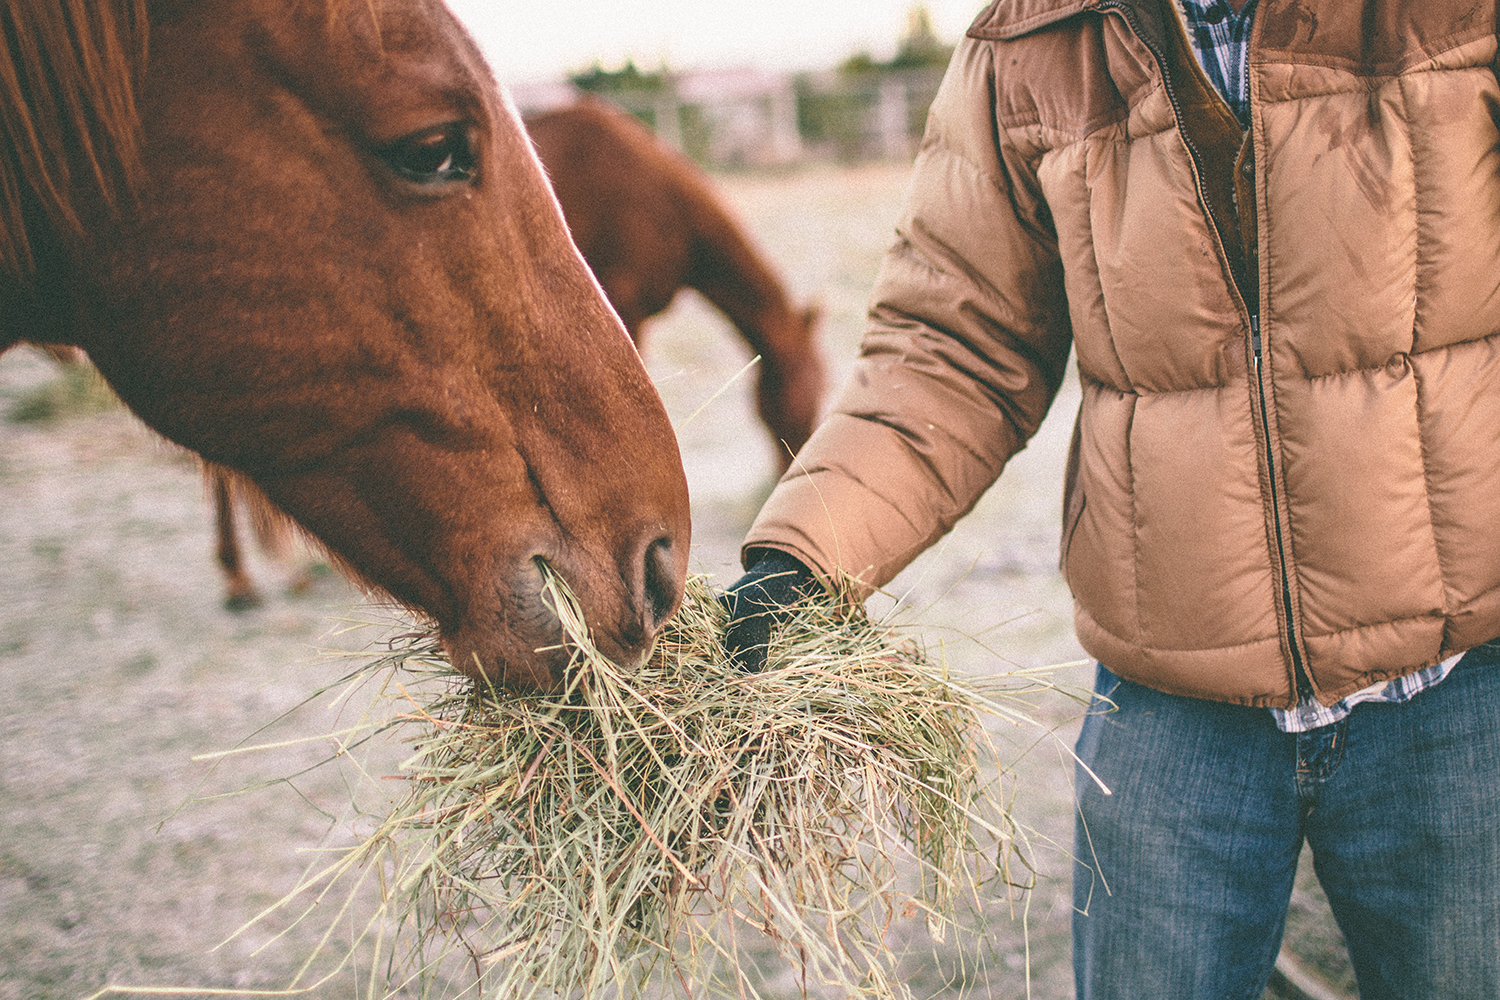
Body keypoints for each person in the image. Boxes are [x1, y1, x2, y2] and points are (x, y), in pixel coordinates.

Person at [723, 0, 1500, 997]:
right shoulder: (1027, 43)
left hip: (1456, 685)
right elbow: (957, 347)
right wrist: (803, 556)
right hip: (1173, 708)